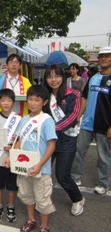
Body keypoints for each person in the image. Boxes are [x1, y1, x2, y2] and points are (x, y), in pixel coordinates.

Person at [4, 85, 57, 232]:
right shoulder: (24, 119)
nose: (33, 103)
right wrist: (10, 156)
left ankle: (44, 226)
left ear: (44, 102)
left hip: (41, 168)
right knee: (27, 194)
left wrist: (40, 165)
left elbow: (51, 146)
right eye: (30, 99)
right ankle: (31, 219)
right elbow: (19, 141)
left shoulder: (47, 120)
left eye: (37, 100)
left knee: (42, 198)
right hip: (24, 165)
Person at [43, 65, 85, 216]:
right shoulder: (45, 95)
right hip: (48, 141)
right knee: (43, 172)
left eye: (57, 76)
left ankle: (78, 198)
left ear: (63, 77)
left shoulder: (73, 95)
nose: (53, 80)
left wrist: (50, 129)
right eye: (49, 76)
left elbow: (73, 117)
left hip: (66, 140)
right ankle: (43, 200)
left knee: (62, 176)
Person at [71, 47, 111, 195]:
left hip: (105, 125)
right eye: (101, 56)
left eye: (107, 56)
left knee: (104, 156)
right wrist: (78, 116)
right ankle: (75, 177)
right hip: (87, 123)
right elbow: (85, 98)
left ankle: (103, 183)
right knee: (79, 151)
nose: (103, 59)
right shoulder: (93, 77)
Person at [0, 88, 21, 223]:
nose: (6, 103)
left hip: (12, 158)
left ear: (13, 102)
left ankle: (11, 206)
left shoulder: (18, 119)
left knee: (12, 185)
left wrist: (12, 147)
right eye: (3, 100)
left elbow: (19, 138)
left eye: (9, 100)